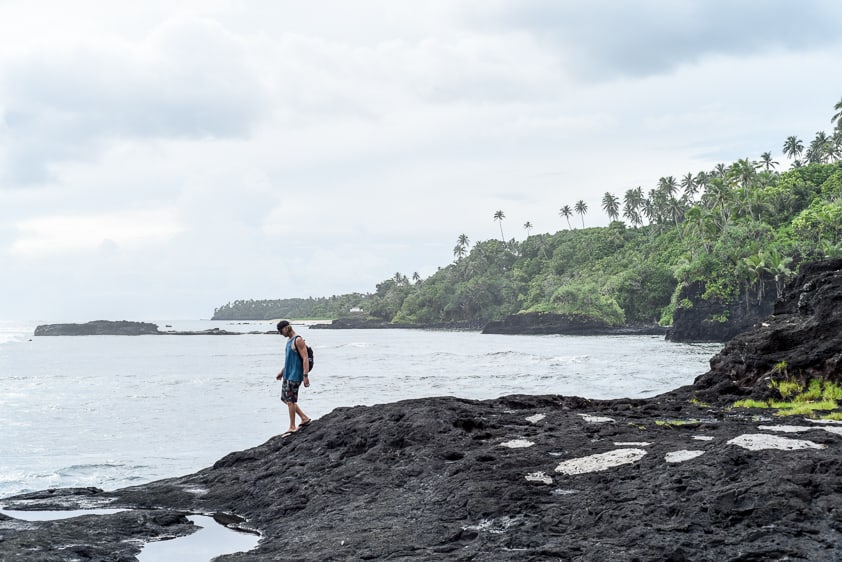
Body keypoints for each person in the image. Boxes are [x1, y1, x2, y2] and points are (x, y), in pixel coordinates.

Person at [275, 320, 311, 434]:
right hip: (287, 374)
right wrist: (282, 372)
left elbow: (305, 358)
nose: (281, 334)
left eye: (281, 332)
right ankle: (304, 418)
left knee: (291, 401)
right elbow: (289, 359)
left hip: (295, 375)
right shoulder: (289, 341)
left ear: (286, 328)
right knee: (285, 399)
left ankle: (292, 426)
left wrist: (305, 376)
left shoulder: (298, 340)